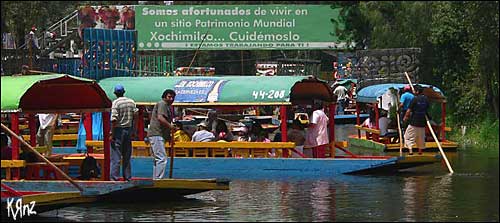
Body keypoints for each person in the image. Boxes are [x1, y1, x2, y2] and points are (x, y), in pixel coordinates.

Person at [110, 84, 138, 181]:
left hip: (118, 130)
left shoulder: (116, 103)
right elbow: (136, 115)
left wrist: (111, 134)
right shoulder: (131, 102)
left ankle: (115, 178)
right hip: (128, 129)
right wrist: (134, 130)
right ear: (124, 92)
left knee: (116, 157)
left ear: (115, 93)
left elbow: (114, 120)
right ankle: (127, 177)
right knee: (126, 156)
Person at [147, 89, 176, 180]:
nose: (171, 99)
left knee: (157, 159)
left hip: (158, 134)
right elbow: (160, 118)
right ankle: (158, 179)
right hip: (157, 134)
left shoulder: (167, 107)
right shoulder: (162, 104)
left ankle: (156, 179)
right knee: (161, 158)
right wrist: (170, 126)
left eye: (172, 97)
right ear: (164, 97)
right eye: (169, 97)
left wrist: (169, 137)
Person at [403, 85, 430, 155]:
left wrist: (405, 117)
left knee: (408, 136)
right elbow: (426, 109)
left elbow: (409, 110)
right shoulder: (426, 99)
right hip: (422, 122)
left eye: (414, 90)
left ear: (417, 91)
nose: (413, 92)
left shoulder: (415, 99)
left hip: (414, 122)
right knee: (420, 137)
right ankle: (420, 151)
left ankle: (411, 151)